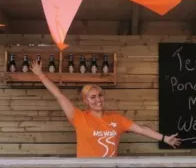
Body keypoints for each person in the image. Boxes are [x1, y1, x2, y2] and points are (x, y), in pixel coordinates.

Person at [30, 60, 181, 157]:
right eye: (93, 97)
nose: (98, 100)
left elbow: (141, 129)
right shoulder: (79, 117)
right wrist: (40, 75)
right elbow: (59, 96)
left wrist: (164, 138)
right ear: (86, 101)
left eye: (100, 95)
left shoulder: (116, 118)